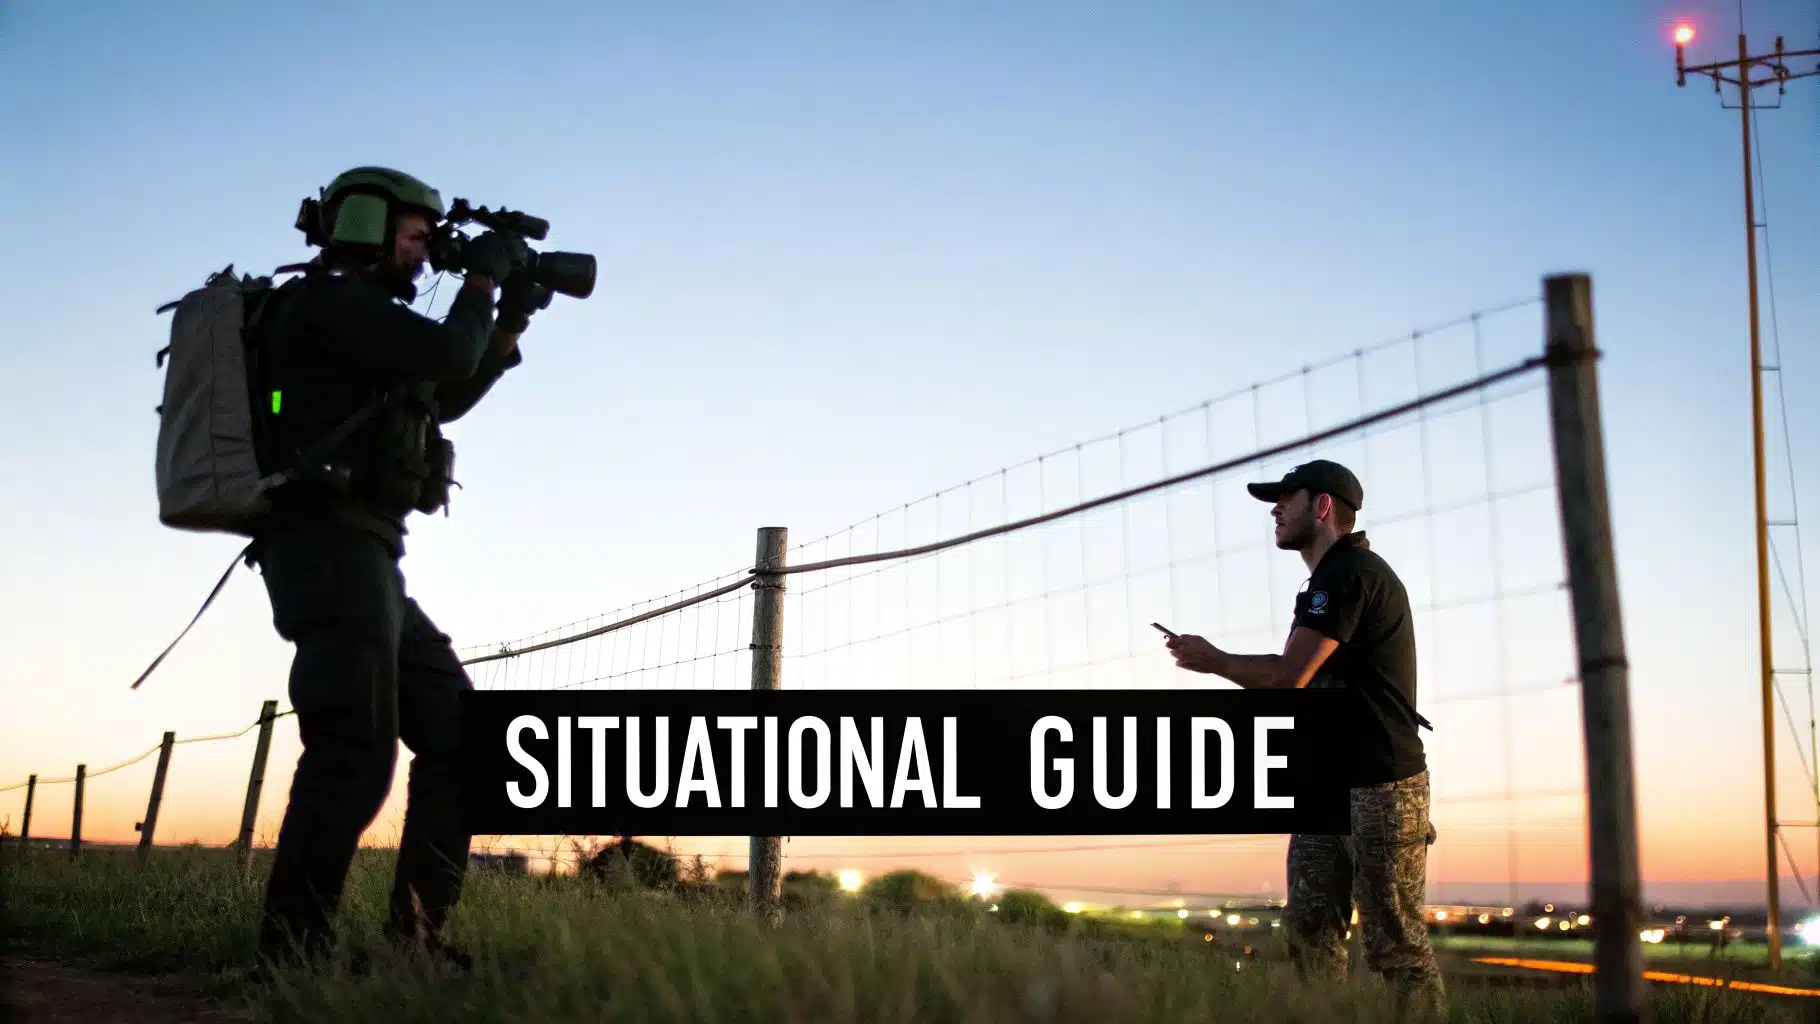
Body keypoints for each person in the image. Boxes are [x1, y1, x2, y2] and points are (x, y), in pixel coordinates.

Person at [246, 166, 543, 969]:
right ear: (367, 227)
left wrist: (509, 317)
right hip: (327, 547)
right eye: (414, 237)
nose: (423, 254)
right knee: (354, 750)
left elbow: (438, 396)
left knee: (459, 737)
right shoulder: (329, 302)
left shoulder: (366, 325)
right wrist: (483, 275)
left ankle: (416, 939)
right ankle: (292, 957)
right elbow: (446, 348)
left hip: (367, 555)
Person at [1161, 458, 1444, 1012]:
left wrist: (1213, 659)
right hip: (1327, 788)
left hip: (1382, 788)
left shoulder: (1351, 576)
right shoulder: (1325, 581)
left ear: (1322, 507)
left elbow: (1288, 677)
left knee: (1397, 949)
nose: (1274, 509)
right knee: (1311, 937)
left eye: (1285, 499)